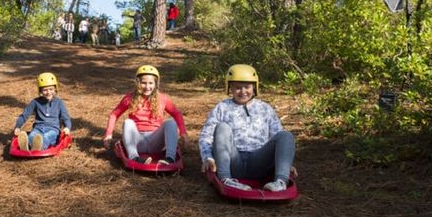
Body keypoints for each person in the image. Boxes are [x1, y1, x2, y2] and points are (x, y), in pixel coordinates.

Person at [198, 64, 296, 192]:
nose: (243, 91)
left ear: (254, 87)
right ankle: (226, 179)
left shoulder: (265, 109)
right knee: (222, 127)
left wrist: (284, 163)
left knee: (286, 135)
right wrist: (208, 158)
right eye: (238, 88)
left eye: (247, 87)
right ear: (230, 88)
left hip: (259, 162)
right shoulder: (222, 107)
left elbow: (277, 137)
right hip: (232, 161)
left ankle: (280, 181)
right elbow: (206, 136)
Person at [103, 65, 187, 165]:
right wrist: (108, 134)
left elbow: (177, 114)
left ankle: (170, 158)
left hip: (156, 142)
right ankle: (134, 157)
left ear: (156, 84)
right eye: (144, 83)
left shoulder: (163, 98)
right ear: (138, 83)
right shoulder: (129, 98)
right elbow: (114, 114)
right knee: (128, 122)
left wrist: (183, 133)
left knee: (171, 122)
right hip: (137, 141)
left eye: (151, 83)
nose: (147, 87)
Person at [14, 73, 72, 150]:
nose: (48, 92)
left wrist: (67, 127)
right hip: (38, 128)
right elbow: (25, 115)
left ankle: (38, 146)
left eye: (51, 89)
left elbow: (65, 117)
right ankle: (27, 145)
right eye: (45, 90)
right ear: (40, 90)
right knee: (32, 136)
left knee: (47, 137)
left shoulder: (59, 103)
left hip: (53, 129)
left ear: (55, 89)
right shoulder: (35, 102)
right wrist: (17, 126)